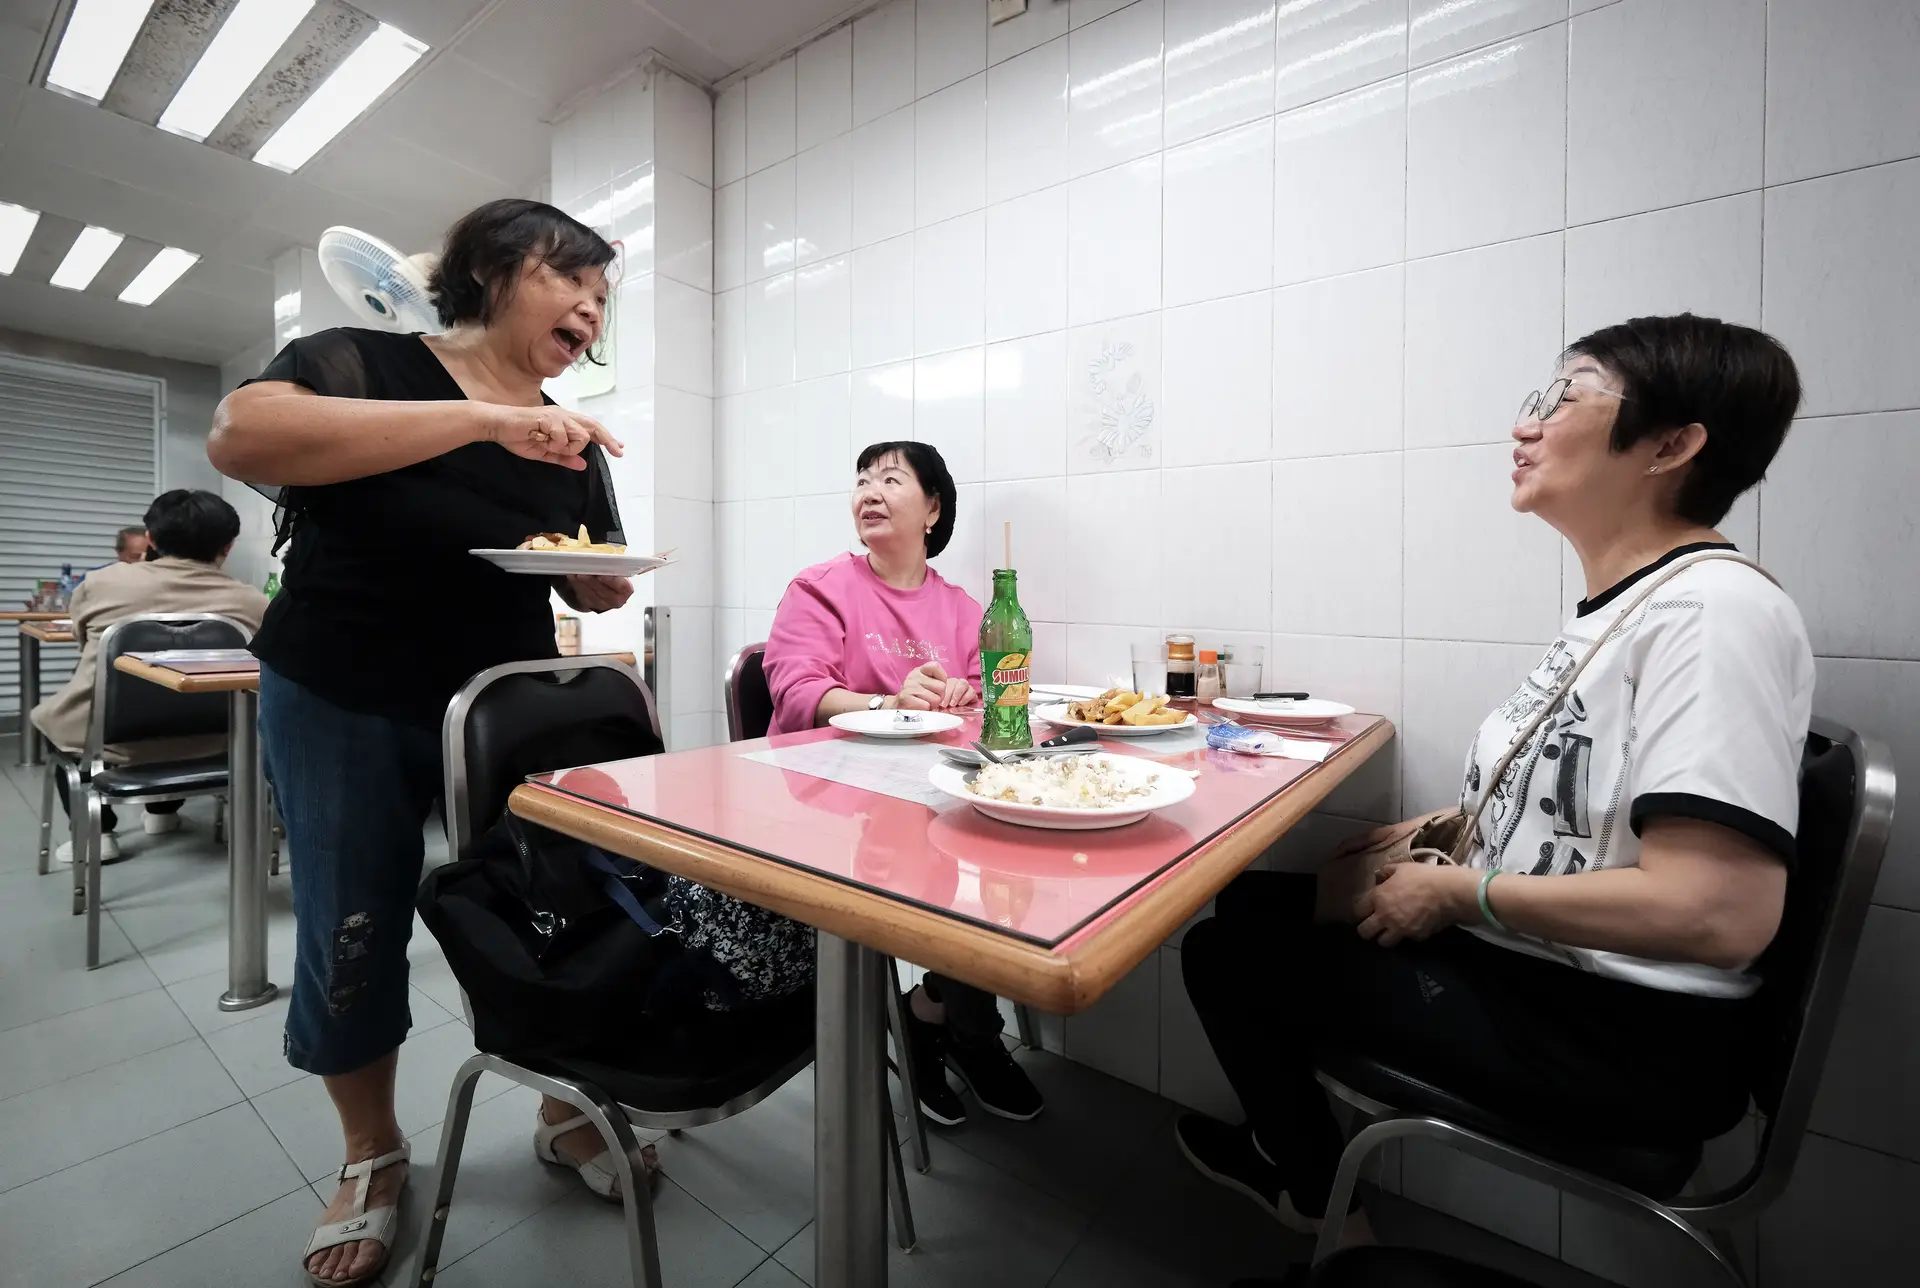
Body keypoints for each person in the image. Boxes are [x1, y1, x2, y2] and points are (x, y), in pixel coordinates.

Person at [1175, 314, 1814, 1271]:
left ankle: (1323, 1208)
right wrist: (1439, 840)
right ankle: (1285, 1148)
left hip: (1622, 1036)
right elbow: (1586, 811)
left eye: (1564, 399)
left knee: (1227, 953)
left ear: (1675, 445)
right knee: (1257, 894)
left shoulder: (1713, 613)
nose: (1525, 427)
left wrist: (1458, 892)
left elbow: (1717, 910)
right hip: (1556, 973)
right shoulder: (1629, 604)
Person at [208, 198, 637, 1287]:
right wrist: (482, 421)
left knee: (559, 906)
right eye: (572, 277)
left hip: (502, 704)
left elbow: (595, 563)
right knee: (354, 919)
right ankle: (372, 1153)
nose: (591, 304)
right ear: (492, 270)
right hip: (346, 686)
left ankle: (564, 1102)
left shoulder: (567, 432)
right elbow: (243, 436)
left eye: (603, 292)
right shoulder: (360, 360)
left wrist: (597, 571)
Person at [763, 441, 1045, 1126]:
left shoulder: (962, 607)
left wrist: (956, 696)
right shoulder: (820, 586)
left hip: (937, 790)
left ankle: (930, 1016)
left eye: (891, 478)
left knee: (1012, 865)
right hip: (837, 802)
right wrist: (892, 703)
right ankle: (966, 1034)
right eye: (862, 478)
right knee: (970, 867)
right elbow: (795, 687)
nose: (870, 490)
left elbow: (989, 697)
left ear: (933, 509)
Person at [32, 489, 268, 863]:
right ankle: (162, 813)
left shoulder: (102, 584)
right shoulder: (253, 601)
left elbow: (85, 647)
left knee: (55, 725)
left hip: (109, 740)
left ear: (152, 539)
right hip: (218, 740)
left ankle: (99, 833)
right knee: (184, 712)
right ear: (229, 545)